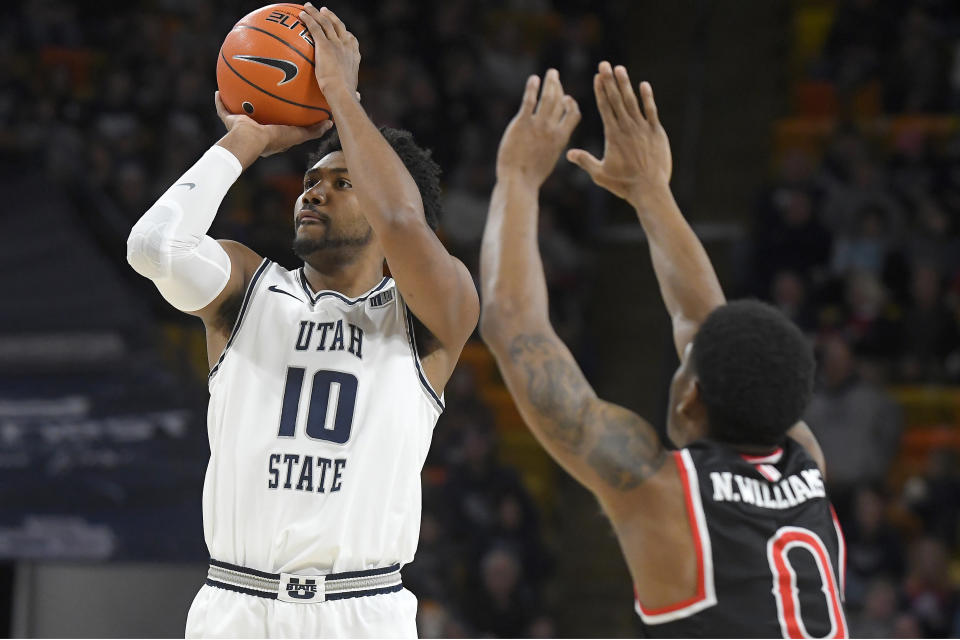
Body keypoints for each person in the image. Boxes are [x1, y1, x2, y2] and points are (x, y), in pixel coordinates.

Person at [126, 5, 479, 637]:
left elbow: (402, 221)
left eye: (343, 183)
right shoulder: (246, 287)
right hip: (236, 604)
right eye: (311, 178)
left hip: (360, 610)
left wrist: (340, 92)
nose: (312, 190)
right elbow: (154, 248)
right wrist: (248, 139)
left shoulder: (431, 314)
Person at [480, 63, 848, 638]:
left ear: (692, 396)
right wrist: (651, 193)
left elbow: (514, 329)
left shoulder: (658, 490)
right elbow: (707, 328)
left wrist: (518, 179)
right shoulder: (808, 466)